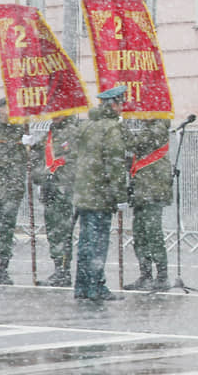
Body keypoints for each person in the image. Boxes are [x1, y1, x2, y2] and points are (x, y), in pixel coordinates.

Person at [73, 86, 129, 301]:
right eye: (120, 103)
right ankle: (96, 287)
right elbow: (114, 165)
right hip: (100, 195)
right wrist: (121, 197)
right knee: (98, 244)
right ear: (113, 105)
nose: (122, 108)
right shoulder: (111, 129)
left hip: (84, 192)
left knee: (86, 242)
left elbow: (76, 155)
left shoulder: (87, 125)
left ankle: (82, 286)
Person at [123, 119, 172, 291]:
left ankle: (162, 276)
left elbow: (136, 144)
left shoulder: (157, 127)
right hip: (142, 190)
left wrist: (123, 127)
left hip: (152, 191)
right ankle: (145, 275)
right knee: (140, 234)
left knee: (153, 234)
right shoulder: (148, 127)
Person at [0, 98, 28, 286]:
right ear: (0, 109)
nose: (10, 112)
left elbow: (26, 160)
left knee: (8, 231)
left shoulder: (20, 130)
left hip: (12, 190)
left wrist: (29, 146)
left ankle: (3, 269)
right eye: (7, 108)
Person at [34, 114, 80, 287]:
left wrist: (61, 179)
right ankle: (58, 269)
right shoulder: (48, 135)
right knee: (53, 230)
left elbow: (76, 160)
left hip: (65, 189)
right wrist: (29, 147)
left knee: (64, 231)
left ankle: (64, 271)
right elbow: (37, 161)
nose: (55, 116)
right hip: (50, 188)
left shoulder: (73, 133)